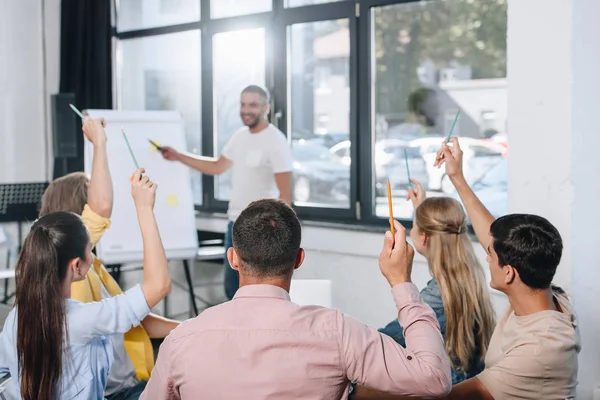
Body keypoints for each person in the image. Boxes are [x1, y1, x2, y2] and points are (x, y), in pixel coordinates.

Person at [140, 199, 452, 399]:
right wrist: (401, 281)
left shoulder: (181, 340)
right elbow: (434, 379)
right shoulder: (338, 332)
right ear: (299, 258)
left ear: (233, 258)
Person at [352, 138, 580, 400]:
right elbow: (494, 238)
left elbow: (443, 397)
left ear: (509, 272)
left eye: (490, 255)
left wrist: (354, 391)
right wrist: (455, 179)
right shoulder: (550, 295)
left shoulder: (539, 350)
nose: (485, 257)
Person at [39, 118, 180, 400]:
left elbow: (130, 317)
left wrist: (193, 327)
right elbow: (101, 208)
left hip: (133, 382)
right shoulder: (66, 264)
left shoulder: (90, 268)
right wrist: (99, 143)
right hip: (117, 392)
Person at [0, 168, 171, 400]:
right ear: (77, 266)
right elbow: (158, 285)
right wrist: (144, 209)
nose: (93, 253)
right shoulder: (81, 320)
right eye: (89, 248)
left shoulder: (16, 317)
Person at [159, 85, 293, 300]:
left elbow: (285, 195)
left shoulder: (275, 141)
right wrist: (178, 156)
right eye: (242, 104)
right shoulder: (240, 137)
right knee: (232, 292)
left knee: (256, 295)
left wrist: (276, 235)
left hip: (260, 230)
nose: (246, 110)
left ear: (266, 107)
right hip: (235, 226)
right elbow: (217, 166)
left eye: (253, 105)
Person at [375, 180, 495, 386]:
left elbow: (387, 341)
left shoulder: (436, 297)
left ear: (424, 238)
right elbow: (439, 235)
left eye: (414, 225)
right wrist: (422, 208)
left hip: (451, 388)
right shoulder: (469, 273)